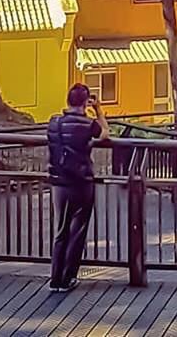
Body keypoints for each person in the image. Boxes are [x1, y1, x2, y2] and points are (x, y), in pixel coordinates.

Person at [47, 82, 109, 293]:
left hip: (58, 182)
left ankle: (55, 278)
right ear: (85, 102)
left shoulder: (53, 123)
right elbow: (104, 134)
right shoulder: (87, 124)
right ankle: (68, 277)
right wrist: (98, 110)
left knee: (61, 230)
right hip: (81, 182)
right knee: (77, 230)